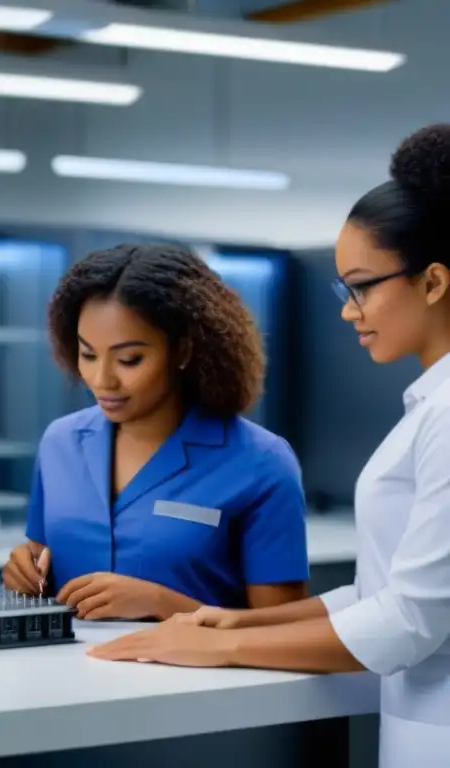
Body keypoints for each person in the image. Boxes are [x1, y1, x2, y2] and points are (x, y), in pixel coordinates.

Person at [89, 124, 450, 768]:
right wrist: (236, 621)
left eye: (361, 285)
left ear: (433, 282)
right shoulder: (429, 405)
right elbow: (380, 592)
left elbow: (410, 622)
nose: (348, 310)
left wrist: (220, 649)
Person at [1, 243, 309, 621]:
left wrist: (164, 605)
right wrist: (26, 573)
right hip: (72, 676)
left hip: (200, 679)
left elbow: (286, 631)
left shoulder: (263, 462)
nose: (102, 380)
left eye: (130, 359)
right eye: (88, 355)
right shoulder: (59, 442)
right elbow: (43, 561)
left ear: (182, 350)